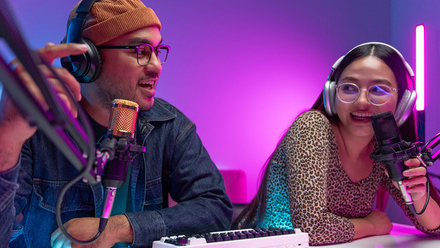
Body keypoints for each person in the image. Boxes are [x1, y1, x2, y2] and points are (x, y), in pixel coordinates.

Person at [0, 0, 233, 247]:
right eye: (141, 51)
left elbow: (215, 209)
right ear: (87, 60)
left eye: (157, 50)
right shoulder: (32, 131)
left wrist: (120, 228)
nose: (156, 66)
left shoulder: (170, 127)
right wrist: (8, 139)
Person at [233, 42, 440, 245]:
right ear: (332, 93)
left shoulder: (382, 147)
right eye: (349, 88)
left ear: (403, 102)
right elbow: (311, 230)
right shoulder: (311, 127)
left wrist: (419, 195)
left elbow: (434, 227)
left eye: (378, 90)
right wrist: (371, 225)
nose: (361, 102)